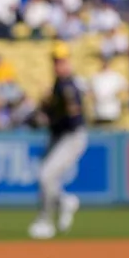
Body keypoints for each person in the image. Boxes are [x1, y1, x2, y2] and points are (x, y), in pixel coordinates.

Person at [27, 42, 87, 239]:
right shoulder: (58, 85)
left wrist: (50, 116)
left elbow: (73, 119)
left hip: (71, 137)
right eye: (55, 61)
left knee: (46, 176)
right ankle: (63, 202)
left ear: (68, 62)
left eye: (61, 61)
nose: (58, 65)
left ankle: (45, 221)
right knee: (46, 178)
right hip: (58, 136)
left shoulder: (68, 86)